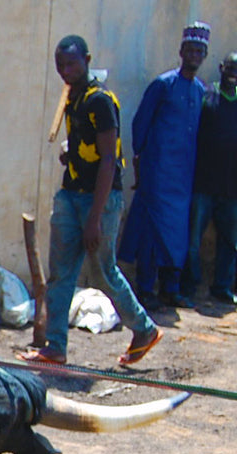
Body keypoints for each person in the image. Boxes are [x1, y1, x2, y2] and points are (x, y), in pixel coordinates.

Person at [20, 36, 162, 367]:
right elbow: (84, 142)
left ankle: (144, 329)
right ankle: (55, 346)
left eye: (71, 64)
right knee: (61, 272)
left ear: (86, 59)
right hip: (71, 193)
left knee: (102, 272)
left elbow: (109, 162)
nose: (65, 71)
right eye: (60, 65)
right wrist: (69, 150)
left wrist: (95, 218)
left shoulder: (101, 100)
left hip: (99, 199)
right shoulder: (72, 98)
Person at [118, 21, 210, 311]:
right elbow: (140, 123)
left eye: (200, 51)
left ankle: (171, 290)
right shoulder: (163, 84)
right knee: (151, 234)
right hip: (157, 173)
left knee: (177, 236)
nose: (194, 55)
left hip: (183, 178)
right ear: (181, 51)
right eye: (190, 49)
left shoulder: (199, 91)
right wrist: (141, 158)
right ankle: (146, 289)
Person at [184, 52, 237, 306]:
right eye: (230, 68)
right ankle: (189, 286)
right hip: (203, 184)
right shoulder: (207, 96)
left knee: (230, 241)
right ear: (220, 68)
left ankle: (222, 288)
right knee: (193, 240)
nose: (233, 74)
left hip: (231, 188)